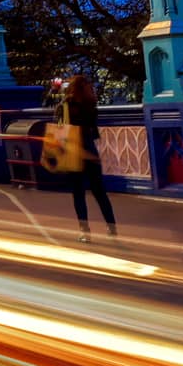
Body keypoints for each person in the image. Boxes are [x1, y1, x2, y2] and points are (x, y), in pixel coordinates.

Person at [62, 73, 117, 241]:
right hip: (90, 152)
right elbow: (93, 133)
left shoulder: (66, 105)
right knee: (100, 192)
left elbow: (62, 130)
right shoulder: (91, 105)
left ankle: (85, 231)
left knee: (78, 193)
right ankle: (111, 226)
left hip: (74, 152)